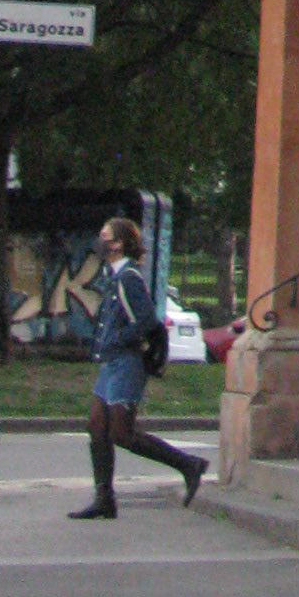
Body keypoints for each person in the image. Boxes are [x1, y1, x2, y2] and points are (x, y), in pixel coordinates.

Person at [70, 214, 205, 518]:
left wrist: (118, 340)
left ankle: (190, 465)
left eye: (104, 237)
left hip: (127, 365)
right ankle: (104, 498)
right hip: (112, 364)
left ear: (117, 244)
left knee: (122, 433)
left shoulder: (129, 278)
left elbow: (146, 320)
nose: (99, 242)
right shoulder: (115, 276)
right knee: (97, 427)